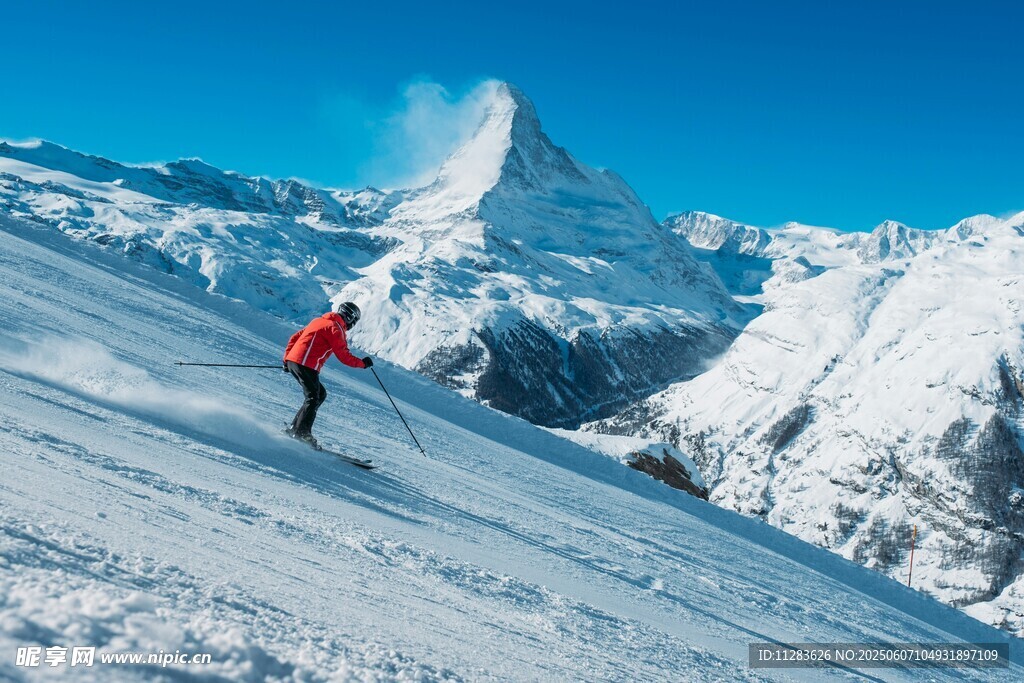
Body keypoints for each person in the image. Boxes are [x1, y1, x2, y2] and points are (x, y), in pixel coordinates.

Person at [283, 301, 372, 450]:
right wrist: (363, 364)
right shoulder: (335, 328)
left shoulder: (319, 321)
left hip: (297, 362)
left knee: (320, 394)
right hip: (305, 364)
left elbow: (294, 338)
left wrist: (287, 360)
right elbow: (343, 355)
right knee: (313, 397)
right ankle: (302, 433)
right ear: (350, 318)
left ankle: (296, 428)